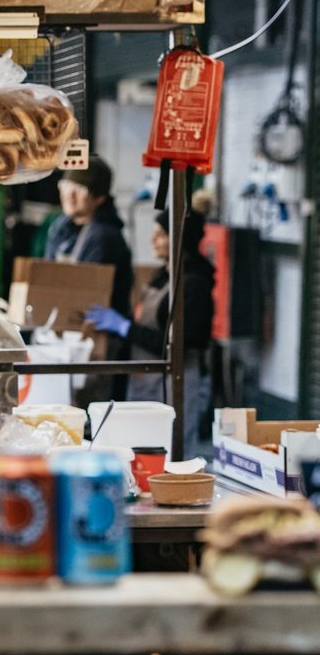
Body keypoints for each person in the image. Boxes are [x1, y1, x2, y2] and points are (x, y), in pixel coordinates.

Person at [86, 196, 216, 456]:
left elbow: (174, 345)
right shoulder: (164, 275)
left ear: (179, 240)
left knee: (174, 453)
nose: (152, 239)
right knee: (142, 451)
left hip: (178, 381)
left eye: (160, 234)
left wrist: (125, 327)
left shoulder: (194, 285)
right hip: (147, 380)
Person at [44, 157, 134, 318]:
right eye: (65, 186)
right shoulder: (60, 228)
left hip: (94, 329)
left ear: (99, 198)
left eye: (79, 189)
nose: (69, 195)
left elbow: (85, 290)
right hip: (63, 319)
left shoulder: (105, 236)